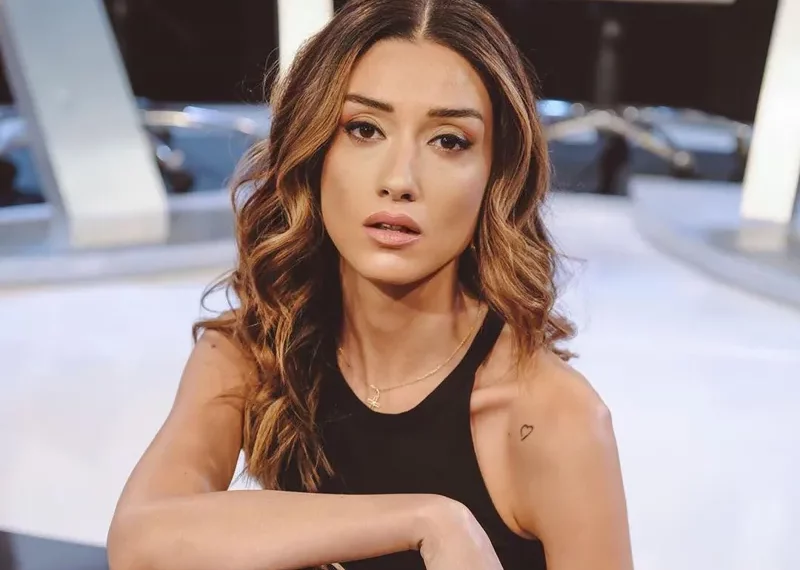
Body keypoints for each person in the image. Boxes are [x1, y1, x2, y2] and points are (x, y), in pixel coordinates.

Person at [107, 1, 633, 569]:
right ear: (314, 152)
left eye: (449, 141)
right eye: (364, 129)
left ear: (496, 176)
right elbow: (141, 540)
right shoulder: (254, 353)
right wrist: (427, 520)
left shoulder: (551, 420)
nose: (399, 179)